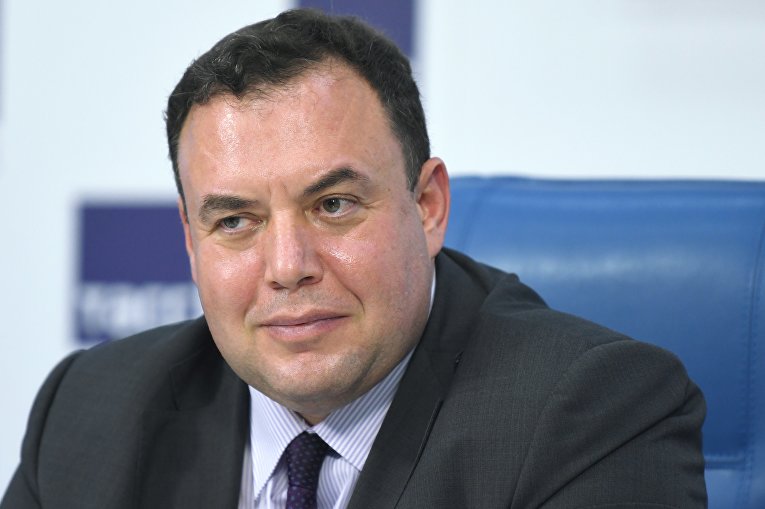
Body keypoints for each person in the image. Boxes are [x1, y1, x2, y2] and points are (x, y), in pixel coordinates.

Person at [1, 8, 706, 508]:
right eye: (236, 220)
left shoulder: (595, 414)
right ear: (191, 240)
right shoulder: (89, 412)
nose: (287, 265)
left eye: (333, 204)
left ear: (427, 206)